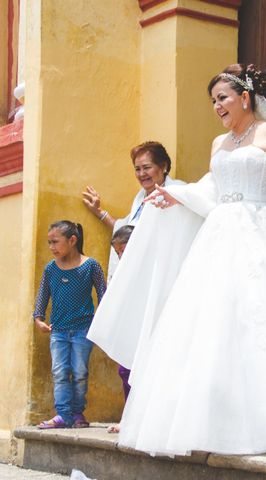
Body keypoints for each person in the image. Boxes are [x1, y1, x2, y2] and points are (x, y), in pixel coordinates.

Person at [88, 63, 266, 456]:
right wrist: (177, 196)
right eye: (213, 101)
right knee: (214, 323)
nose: (217, 106)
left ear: (244, 97)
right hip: (221, 234)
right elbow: (213, 190)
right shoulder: (217, 145)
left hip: (263, 231)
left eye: (222, 98)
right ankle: (216, 420)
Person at [33, 221, 106, 429]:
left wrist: (102, 323)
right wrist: (38, 319)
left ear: (72, 240)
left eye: (55, 242)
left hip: (83, 330)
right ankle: (63, 415)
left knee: (80, 372)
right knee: (60, 372)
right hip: (58, 332)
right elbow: (42, 295)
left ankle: (77, 413)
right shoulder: (51, 269)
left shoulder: (91, 266)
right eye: (49, 243)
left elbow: (104, 295)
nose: (51, 247)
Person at [81, 141, 184, 280]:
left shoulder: (177, 193)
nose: (142, 174)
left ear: (164, 166)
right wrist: (98, 211)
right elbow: (125, 230)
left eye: (147, 167)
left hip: (161, 272)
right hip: (137, 272)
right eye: (137, 169)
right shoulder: (141, 197)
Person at [105, 224, 135, 435]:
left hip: (144, 331)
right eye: (117, 253)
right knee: (124, 371)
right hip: (126, 327)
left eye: (123, 250)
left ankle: (134, 419)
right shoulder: (121, 273)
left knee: (137, 373)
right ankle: (128, 417)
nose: (120, 256)